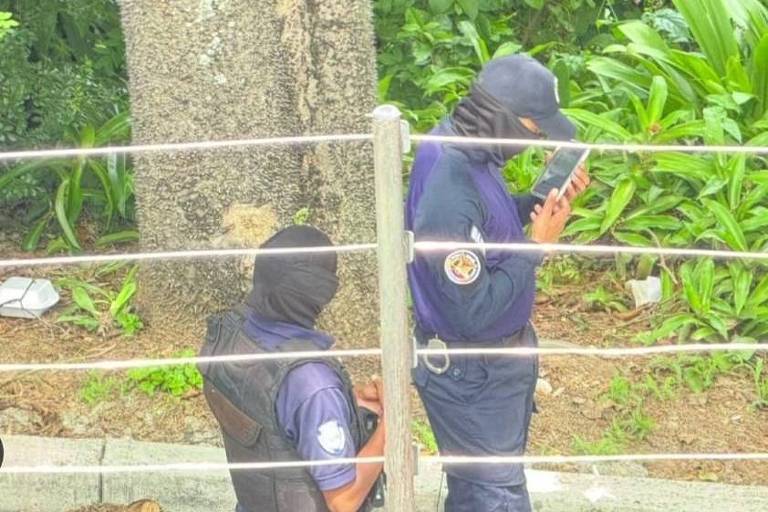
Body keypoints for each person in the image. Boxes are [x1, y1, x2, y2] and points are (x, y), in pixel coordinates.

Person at [405, 55, 590, 511]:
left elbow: (483, 219)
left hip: (486, 369)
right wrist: (537, 247)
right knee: (497, 497)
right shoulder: (450, 185)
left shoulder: (463, 145)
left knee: (479, 493)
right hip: (472, 374)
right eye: (534, 127)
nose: (539, 138)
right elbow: (473, 310)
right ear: (502, 118)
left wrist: (536, 201)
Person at [199, 225, 386, 512]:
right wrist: (392, 426)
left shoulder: (231, 335)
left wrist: (348, 402)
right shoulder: (312, 383)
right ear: (321, 292)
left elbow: (271, 412)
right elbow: (343, 502)